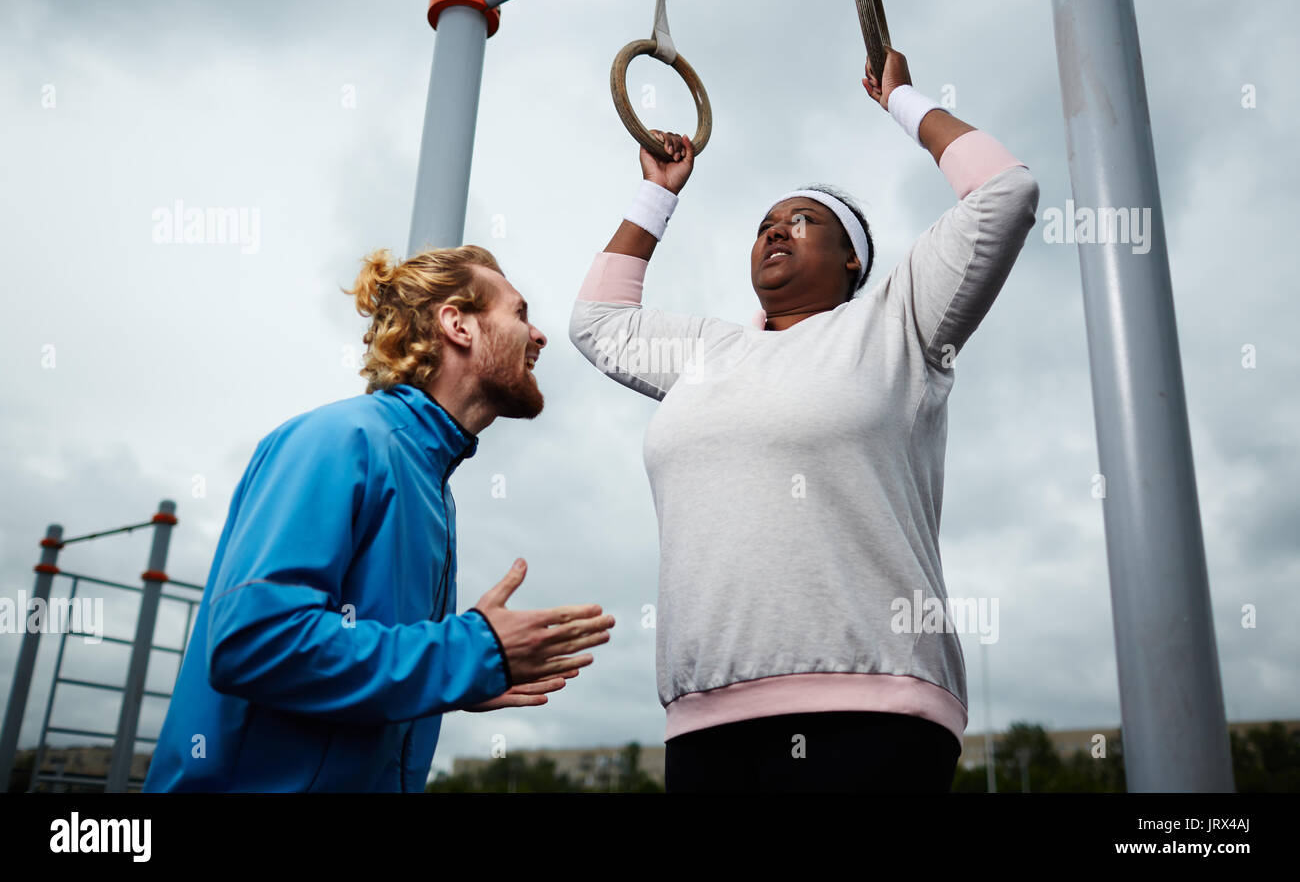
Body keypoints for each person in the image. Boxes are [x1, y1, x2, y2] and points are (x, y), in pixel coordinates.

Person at [569, 47, 1040, 792]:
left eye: (803, 220)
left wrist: (904, 100)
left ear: (853, 260)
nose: (776, 230)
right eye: (764, 224)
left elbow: (1005, 192)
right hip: (706, 721)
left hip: (874, 712)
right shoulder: (708, 352)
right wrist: (656, 195)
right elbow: (596, 323)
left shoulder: (900, 323)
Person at [145, 244, 615, 792]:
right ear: (457, 325)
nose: (539, 336)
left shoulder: (434, 489)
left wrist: (456, 677)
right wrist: (467, 652)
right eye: (519, 314)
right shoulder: (340, 440)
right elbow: (255, 642)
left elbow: (362, 666)